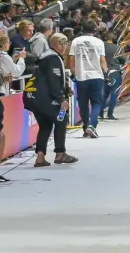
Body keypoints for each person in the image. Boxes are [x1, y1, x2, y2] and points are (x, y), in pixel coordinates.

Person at [26, 32, 77, 166]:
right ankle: (60, 153)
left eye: (65, 43)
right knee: (61, 119)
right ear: (54, 44)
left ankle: (40, 157)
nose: (64, 46)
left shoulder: (45, 56)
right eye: (61, 43)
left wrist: (65, 89)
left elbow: (47, 78)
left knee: (45, 125)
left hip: (35, 97)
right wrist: (61, 98)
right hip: (46, 98)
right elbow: (53, 80)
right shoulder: (53, 58)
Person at [69, 19, 107, 138]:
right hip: (96, 75)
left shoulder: (76, 41)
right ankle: (92, 125)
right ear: (95, 30)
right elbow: (102, 60)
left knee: (83, 103)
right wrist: (106, 72)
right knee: (97, 102)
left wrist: (73, 72)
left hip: (81, 76)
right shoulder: (99, 42)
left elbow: (71, 59)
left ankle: (86, 126)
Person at [100, 31, 125, 121]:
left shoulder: (101, 46)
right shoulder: (117, 48)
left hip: (104, 72)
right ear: (114, 38)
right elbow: (123, 59)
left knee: (104, 94)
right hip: (115, 72)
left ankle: (100, 113)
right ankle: (110, 114)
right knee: (114, 94)